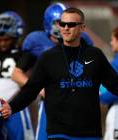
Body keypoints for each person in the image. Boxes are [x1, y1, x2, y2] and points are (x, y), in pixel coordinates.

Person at [0, 8, 118, 140]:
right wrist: (12, 107)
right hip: (59, 133)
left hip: (90, 132)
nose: (65, 28)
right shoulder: (48, 57)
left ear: (82, 28)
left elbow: (115, 84)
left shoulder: (95, 55)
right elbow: (30, 89)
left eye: (71, 25)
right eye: (62, 24)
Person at [11, 2, 94, 140]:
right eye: (60, 23)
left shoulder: (83, 40)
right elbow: (16, 73)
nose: (66, 27)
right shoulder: (37, 41)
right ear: (49, 23)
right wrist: (37, 88)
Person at [0, 11, 34, 140]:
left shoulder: (23, 55)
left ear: (16, 36)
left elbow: (27, 85)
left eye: (6, 39)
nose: (3, 43)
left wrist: (12, 104)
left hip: (17, 109)